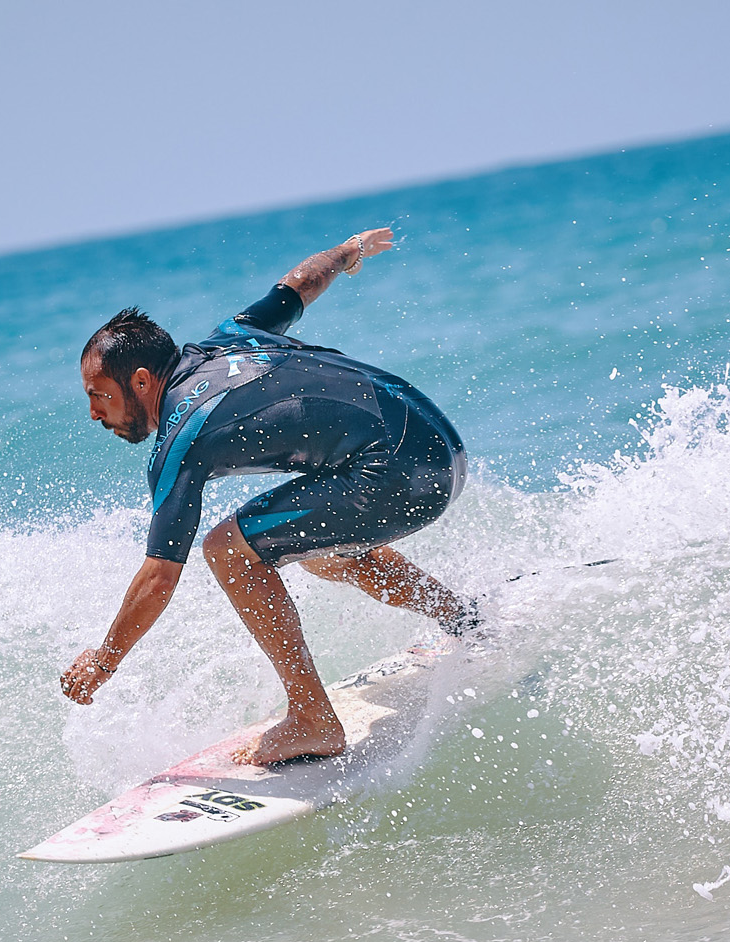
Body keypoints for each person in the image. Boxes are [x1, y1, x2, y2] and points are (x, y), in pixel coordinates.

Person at [60, 227, 478, 765]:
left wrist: (104, 660)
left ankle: (311, 718)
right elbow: (301, 282)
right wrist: (348, 251)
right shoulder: (229, 337)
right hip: (442, 448)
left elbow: (160, 576)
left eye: (99, 396)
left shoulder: (180, 439)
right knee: (316, 551)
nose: (95, 414)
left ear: (140, 382)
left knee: (228, 551)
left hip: (398, 475)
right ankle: (462, 619)